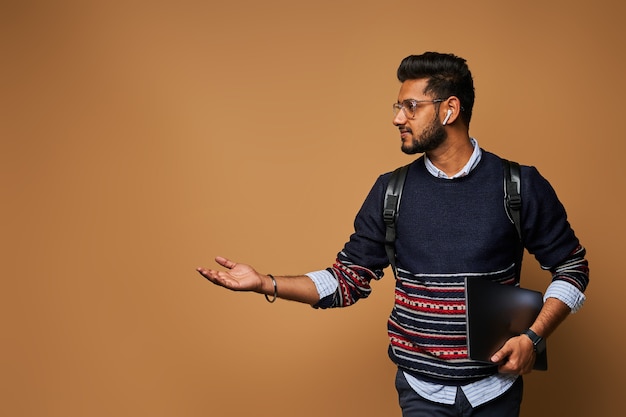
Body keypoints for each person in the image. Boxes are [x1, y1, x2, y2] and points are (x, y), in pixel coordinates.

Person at [197, 52, 589, 417]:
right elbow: (345, 280)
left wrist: (534, 338)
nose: (398, 118)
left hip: (496, 391)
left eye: (411, 107)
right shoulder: (390, 192)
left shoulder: (518, 185)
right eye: (398, 107)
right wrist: (264, 282)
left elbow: (572, 268)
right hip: (420, 393)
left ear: (450, 110)